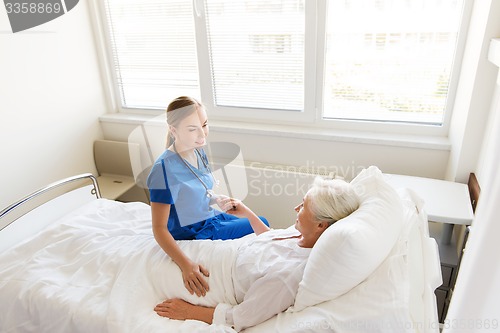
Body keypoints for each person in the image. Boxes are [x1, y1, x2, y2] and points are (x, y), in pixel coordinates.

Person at [154, 177, 361, 331]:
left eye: (303, 206)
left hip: (210, 279)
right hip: (219, 252)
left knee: (144, 264)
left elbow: (240, 317)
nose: (296, 208)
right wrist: (246, 213)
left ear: (321, 225)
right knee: (156, 250)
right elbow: (269, 243)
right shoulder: (299, 236)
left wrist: (188, 312)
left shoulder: (287, 276)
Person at [147, 96, 269, 298]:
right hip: (193, 233)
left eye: (204, 125)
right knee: (260, 225)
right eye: (193, 128)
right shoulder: (163, 170)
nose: (202, 134)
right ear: (173, 130)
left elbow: (198, 190)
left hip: (210, 217)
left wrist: (217, 200)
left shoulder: (198, 151)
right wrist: (186, 265)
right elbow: (159, 229)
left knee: (259, 225)